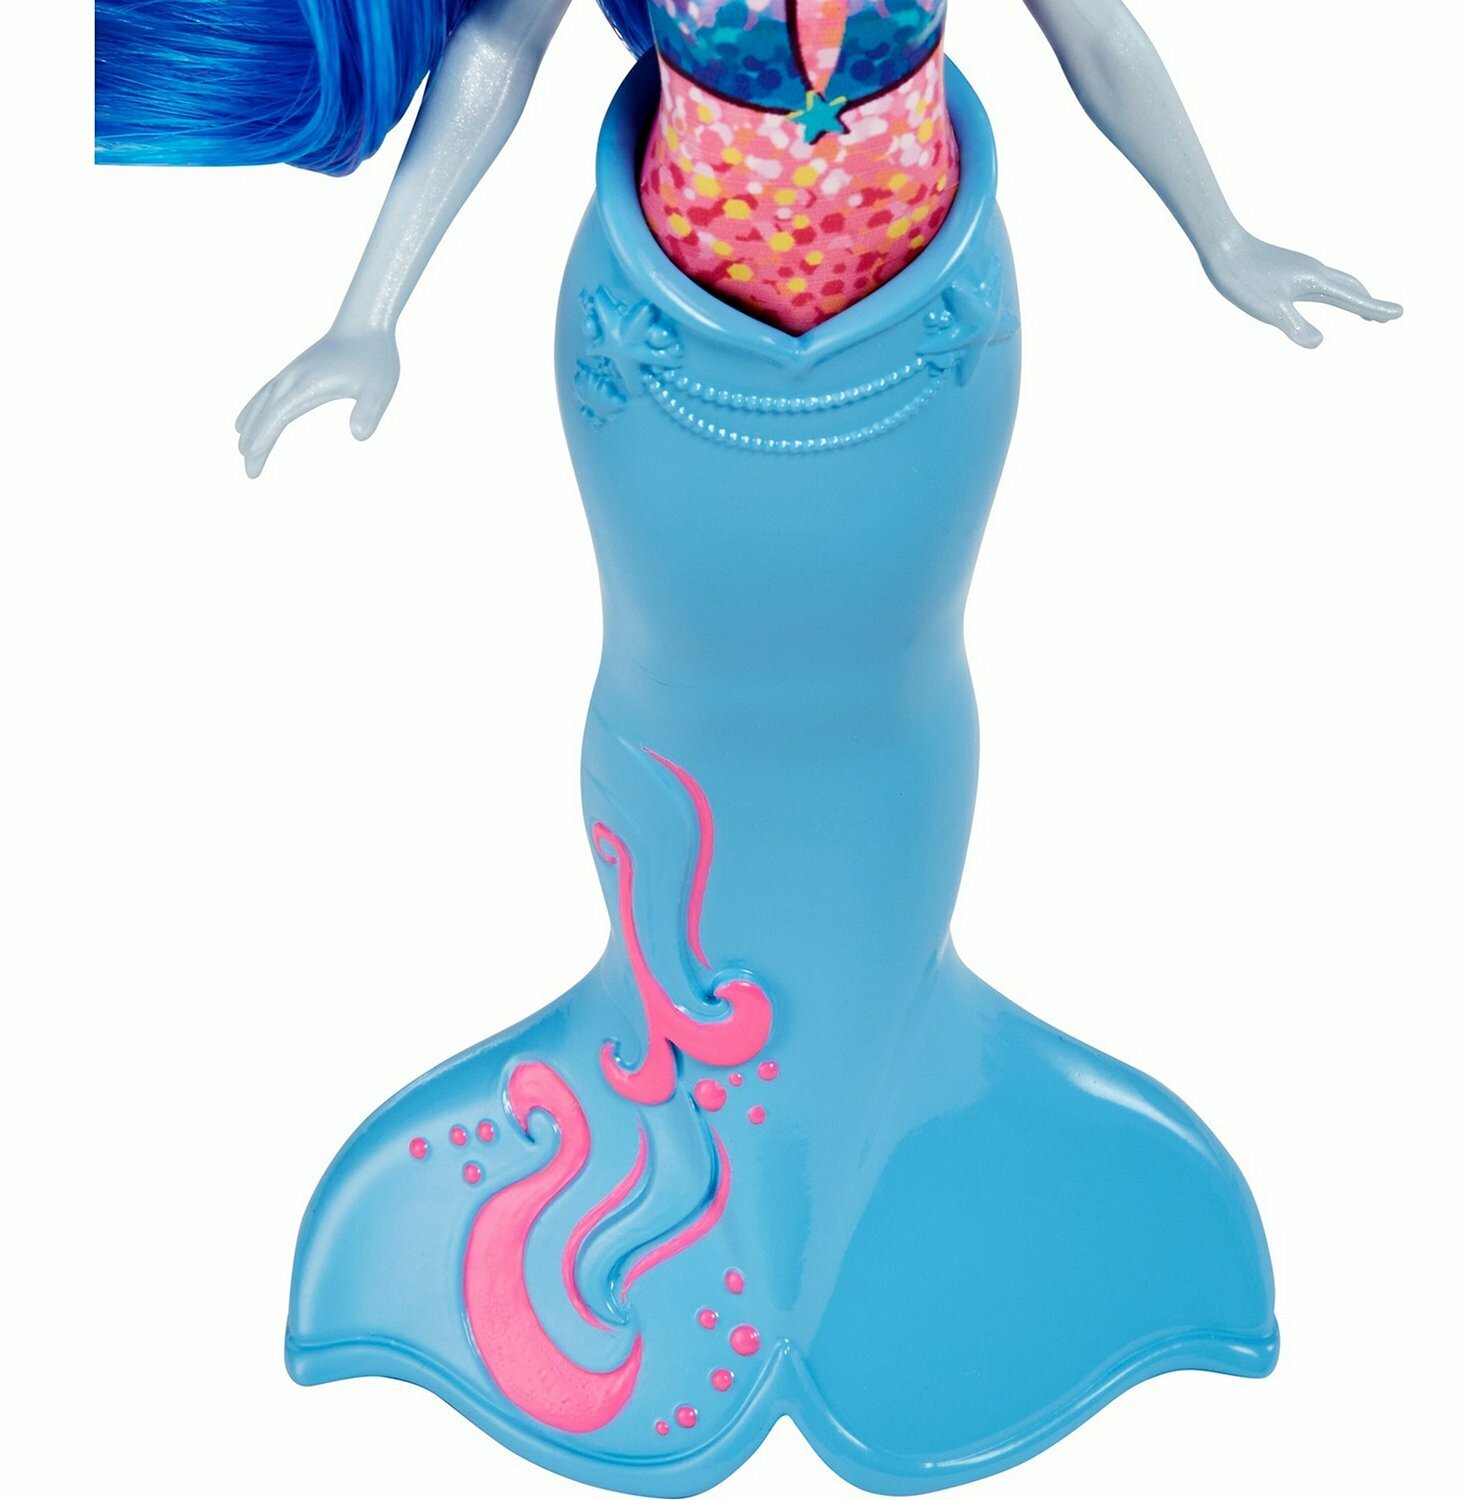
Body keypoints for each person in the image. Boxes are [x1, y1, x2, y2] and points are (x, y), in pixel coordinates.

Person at [95, 2, 1400, 1490]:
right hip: (665, 368)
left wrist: (1222, 233)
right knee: (671, 683)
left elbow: (1094, 33)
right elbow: (501, 52)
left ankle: (893, 1105)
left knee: (901, 680)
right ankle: (682, 1116)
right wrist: (369, 310)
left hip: (925, 355)